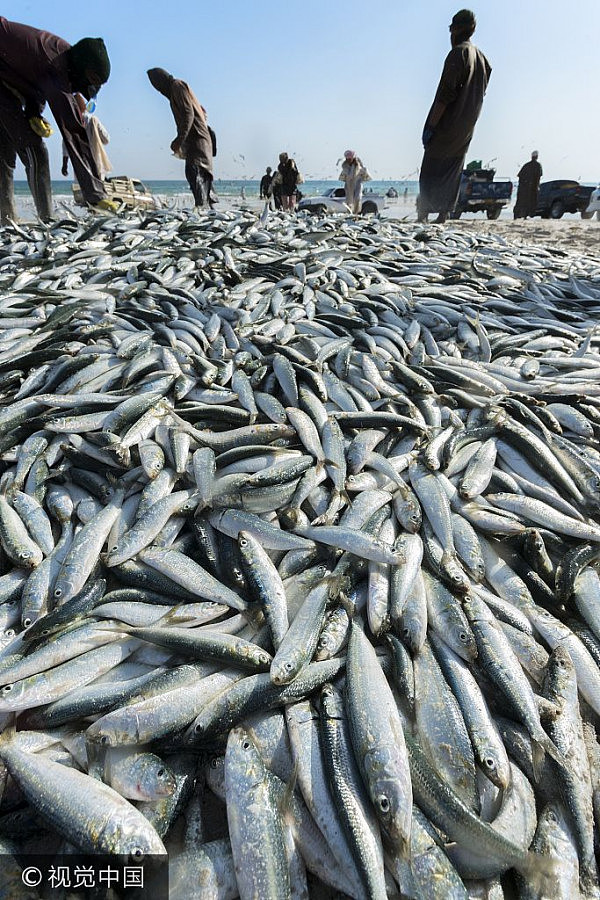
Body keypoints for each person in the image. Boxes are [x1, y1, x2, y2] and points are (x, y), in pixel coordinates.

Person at [0, 17, 113, 224]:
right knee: (34, 149)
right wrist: (96, 194)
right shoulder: (56, 64)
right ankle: (47, 219)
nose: (86, 89)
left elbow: (33, 83)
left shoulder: (63, 57)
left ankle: (5, 218)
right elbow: (74, 131)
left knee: (5, 150)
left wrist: (34, 112)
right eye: (92, 81)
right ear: (85, 68)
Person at [417, 9, 491, 224]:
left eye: (451, 29)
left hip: (447, 124)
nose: (450, 34)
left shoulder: (458, 53)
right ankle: (443, 214)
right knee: (452, 170)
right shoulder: (484, 60)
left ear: (456, 29)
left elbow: (445, 95)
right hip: (466, 128)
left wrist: (431, 125)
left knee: (431, 167)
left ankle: (423, 215)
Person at [147, 67, 215, 209]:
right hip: (199, 143)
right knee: (200, 177)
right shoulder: (176, 90)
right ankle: (207, 209)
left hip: (198, 142)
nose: (158, 90)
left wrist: (179, 139)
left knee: (194, 172)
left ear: (161, 82)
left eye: (157, 86)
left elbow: (188, 114)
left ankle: (202, 208)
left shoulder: (177, 86)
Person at [62, 94, 111, 180]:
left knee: (83, 191)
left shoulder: (69, 124)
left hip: (80, 168)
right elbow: (106, 140)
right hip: (97, 167)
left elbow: (66, 144)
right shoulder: (93, 121)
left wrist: (65, 165)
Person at [513, 151, 542, 219]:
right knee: (530, 202)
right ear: (537, 157)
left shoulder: (526, 165)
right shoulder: (538, 165)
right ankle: (525, 215)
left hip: (523, 188)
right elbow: (538, 177)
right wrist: (537, 187)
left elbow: (520, 176)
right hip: (531, 188)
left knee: (521, 202)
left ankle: (517, 215)